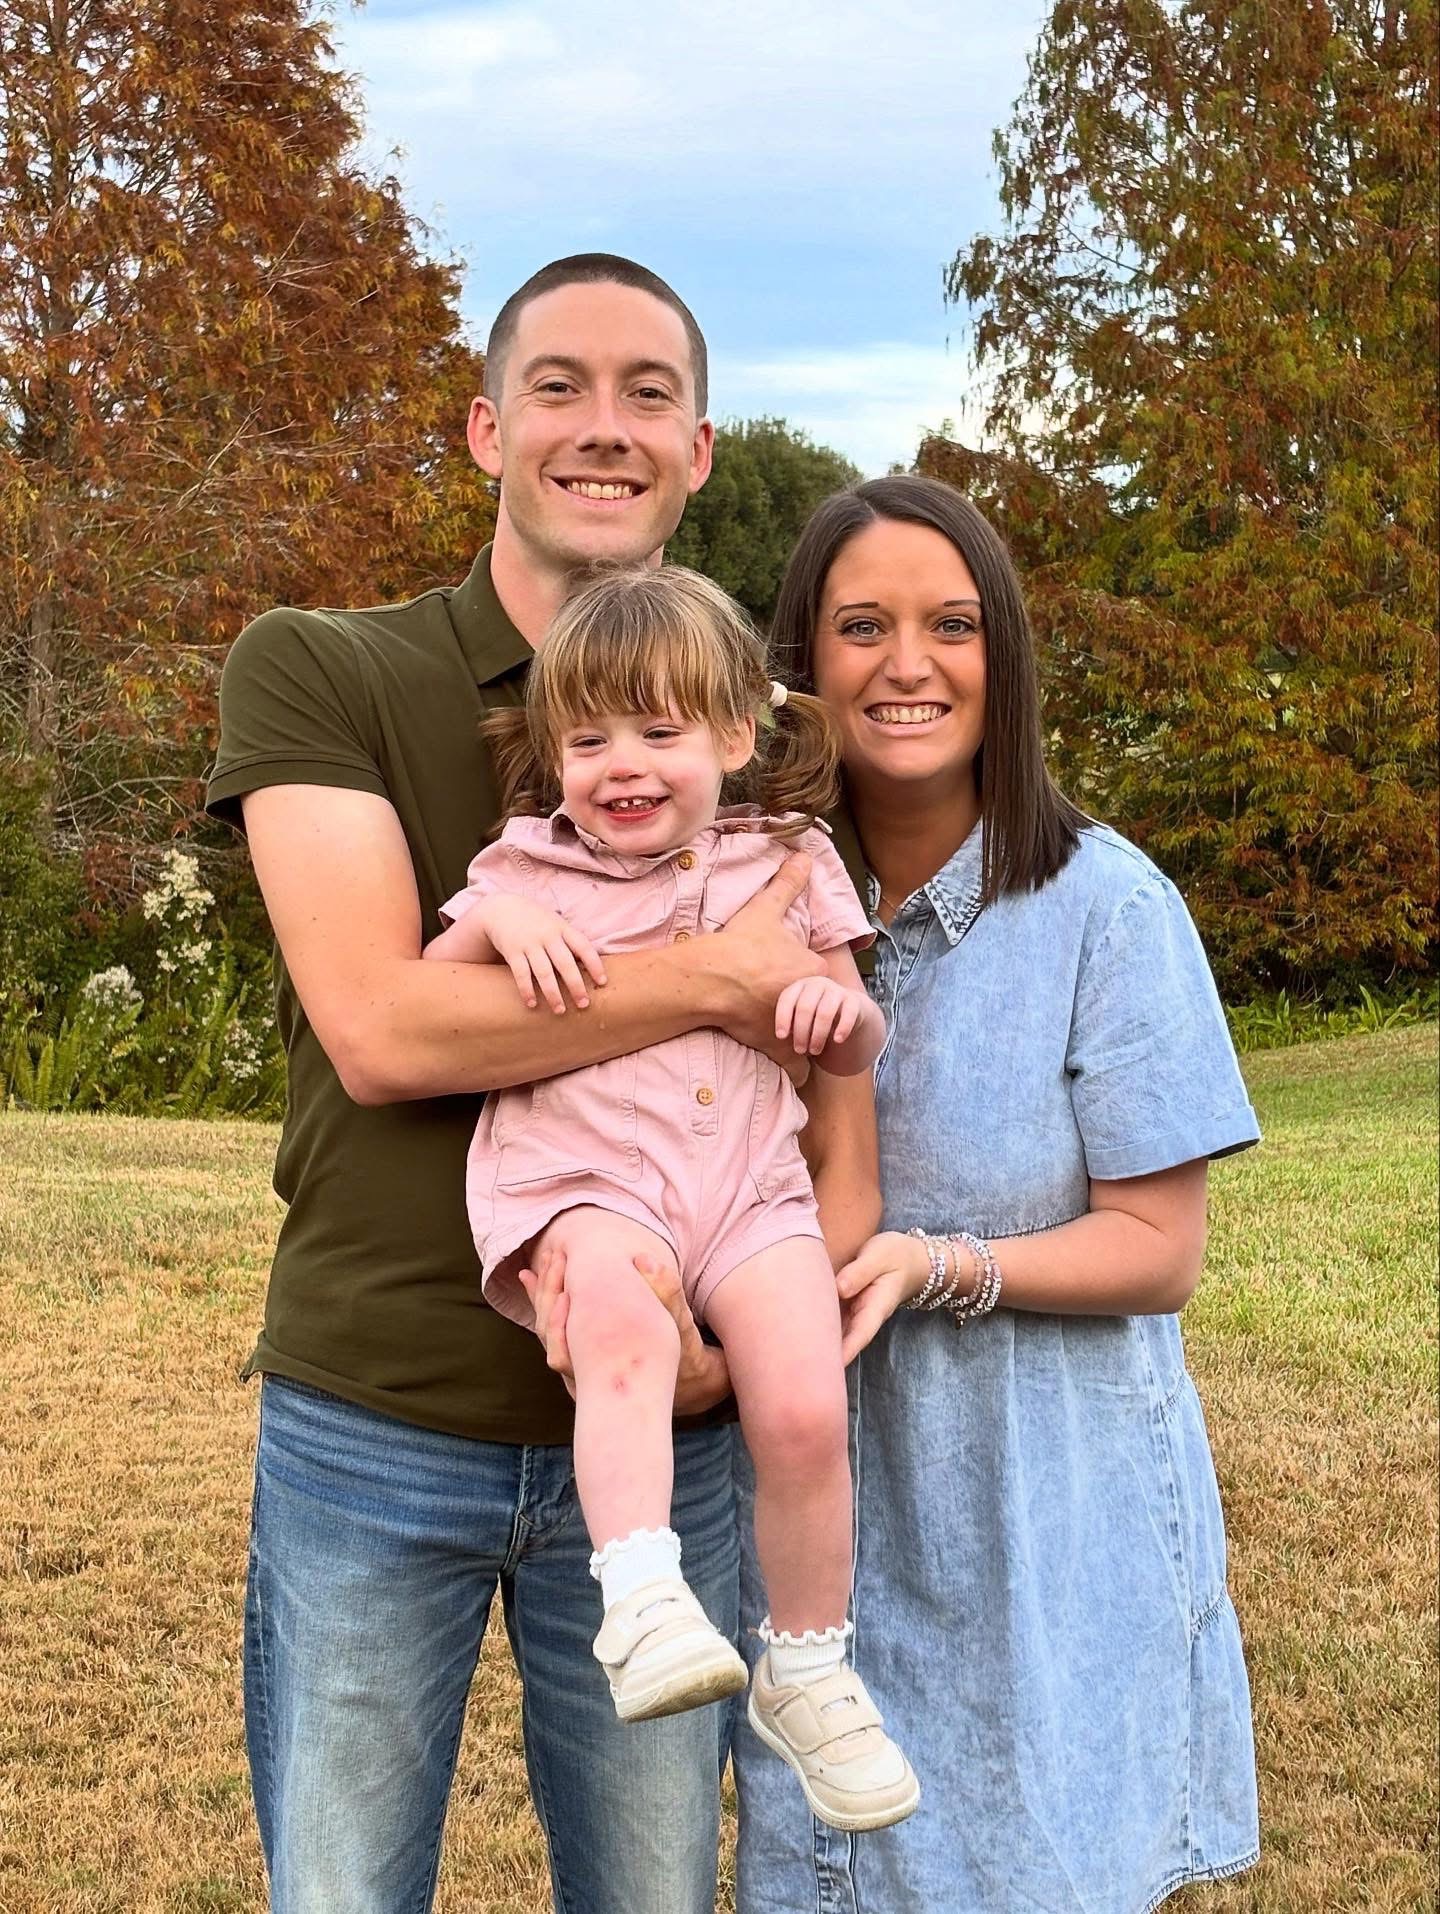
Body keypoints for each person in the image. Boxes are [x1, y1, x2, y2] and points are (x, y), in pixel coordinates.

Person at [204, 255, 869, 1914]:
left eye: (650, 393)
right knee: (343, 1889)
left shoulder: (752, 737)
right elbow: (385, 1029)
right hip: (382, 1414)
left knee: (651, 1891)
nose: (603, 426)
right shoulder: (323, 668)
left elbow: (835, 1104)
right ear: (486, 428)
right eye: (558, 386)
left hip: (673, 1424)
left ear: (699, 449)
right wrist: (714, 975)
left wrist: (734, 1348)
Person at [724, 473, 1263, 1911]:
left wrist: (936, 1261)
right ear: (799, 664)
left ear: (1001, 656)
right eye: (861, 627)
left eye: (951, 625)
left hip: (1039, 1517)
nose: (907, 664)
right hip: (808, 1513)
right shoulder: (738, 906)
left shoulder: (1109, 908)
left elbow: (1159, 1248)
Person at [425, 564, 919, 1830]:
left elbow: (854, 1039)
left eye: (658, 731)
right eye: (588, 739)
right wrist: (501, 926)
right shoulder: (527, 864)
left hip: (747, 1188)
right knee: (626, 1340)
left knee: (803, 1401)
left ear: (735, 737)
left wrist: (832, 1018)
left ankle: (807, 1666)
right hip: (592, 1182)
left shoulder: (791, 862)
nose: (622, 767)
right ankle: (640, 1597)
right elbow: (437, 974)